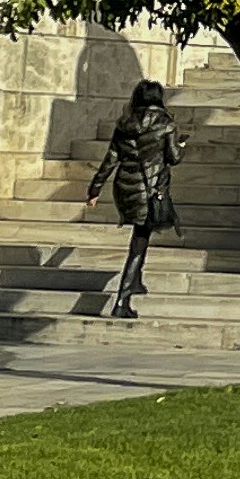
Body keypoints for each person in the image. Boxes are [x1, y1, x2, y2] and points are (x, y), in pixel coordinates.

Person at [81, 80, 181, 318]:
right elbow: (174, 157)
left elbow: (110, 160)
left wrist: (94, 190)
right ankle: (122, 300)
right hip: (151, 189)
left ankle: (135, 282)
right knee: (139, 241)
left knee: (141, 235)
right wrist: (181, 145)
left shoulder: (124, 125)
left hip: (126, 189)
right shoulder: (166, 125)